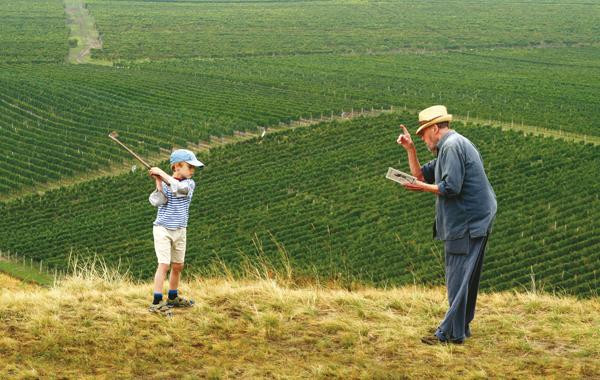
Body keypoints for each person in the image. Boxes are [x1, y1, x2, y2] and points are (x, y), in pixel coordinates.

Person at [396, 105, 497, 344]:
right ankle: (459, 328)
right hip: (476, 218)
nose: (422, 139)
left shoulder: (451, 147)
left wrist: (421, 188)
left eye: (422, 135)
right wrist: (410, 150)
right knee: (465, 276)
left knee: (458, 277)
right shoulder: (449, 147)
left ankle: (448, 334)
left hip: (467, 222)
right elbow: (421, 176)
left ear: (434, 128)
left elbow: (451, 188)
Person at [147, 149, 204, 314]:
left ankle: (172, 297)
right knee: (164, 265)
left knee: (178, 265)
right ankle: (157, 301)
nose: (193, 170)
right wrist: (158, 182)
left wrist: (161, 173)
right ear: (177, 167)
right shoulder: (166, 182)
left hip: (180, 229)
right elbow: (157, 201)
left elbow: (179, 188)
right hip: (163, 229)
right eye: (190, 167)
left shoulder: (188, 184)